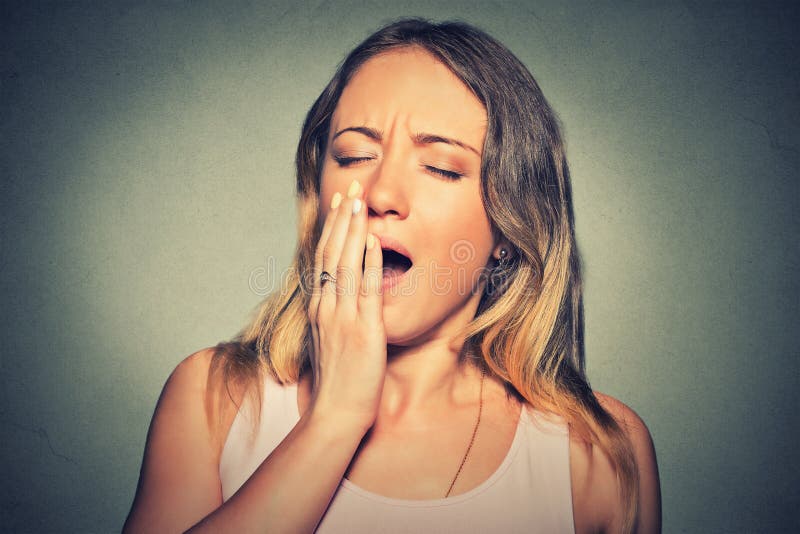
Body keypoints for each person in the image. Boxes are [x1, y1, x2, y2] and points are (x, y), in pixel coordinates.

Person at [123, 18, 661, 533]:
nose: (380, 194)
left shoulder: (600, 455)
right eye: (354, 155)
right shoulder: (215, 399)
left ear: (509, 226)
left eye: (442, 167)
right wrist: (333, 419)